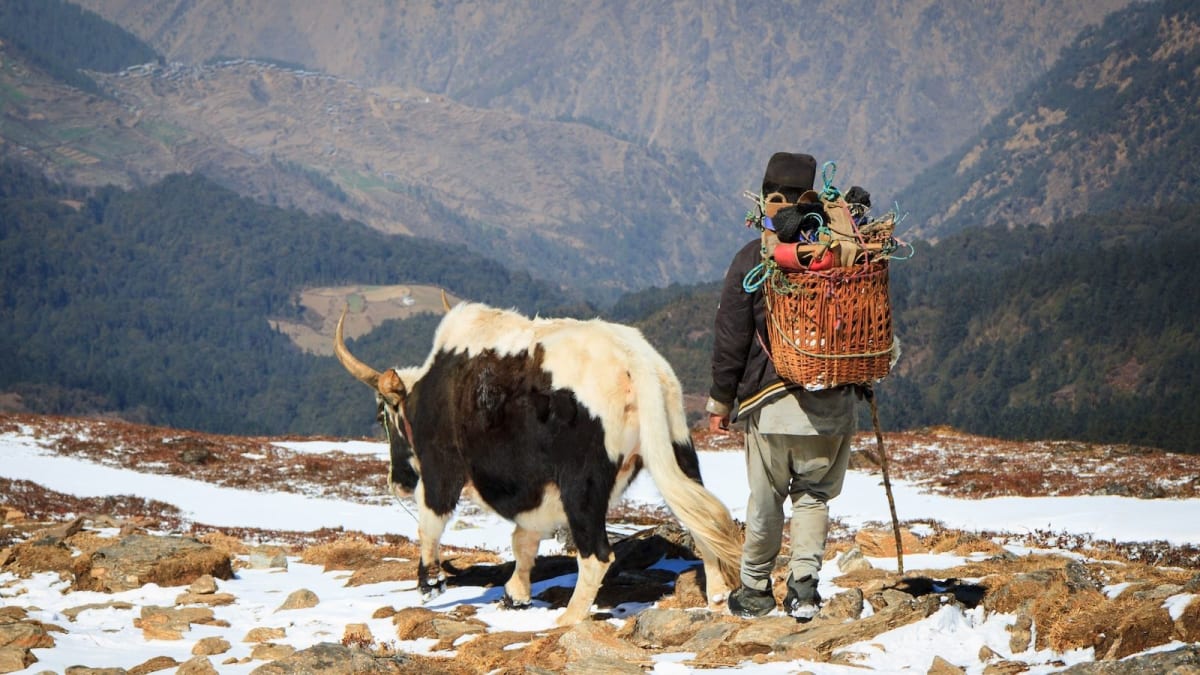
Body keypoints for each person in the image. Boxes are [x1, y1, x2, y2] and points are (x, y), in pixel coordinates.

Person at [706, 151, 858, 620]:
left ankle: (754, 590)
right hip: (832, 402)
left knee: (766, 499)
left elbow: (731, 336)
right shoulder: (844, 256)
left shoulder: (754, 259)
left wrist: (720, 401)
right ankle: (804, 591)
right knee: (813, 497)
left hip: (770, 406)